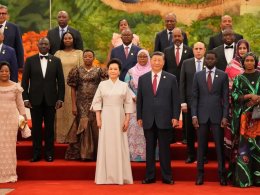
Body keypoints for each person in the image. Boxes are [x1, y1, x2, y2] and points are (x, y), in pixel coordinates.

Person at [137, 51, 180, 185]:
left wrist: (175, 116)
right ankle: (150, 176)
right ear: (151, 61)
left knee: (165, 150)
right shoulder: (143, 78)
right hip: (148, 119)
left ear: (163, 62)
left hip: (165, 119)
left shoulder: (171, 78)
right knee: (149, 149)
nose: (156, 62)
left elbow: (175, 99)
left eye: (159, 60)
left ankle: (167, 176)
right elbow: (140, 100)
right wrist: (139, 116)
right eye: (154, 60)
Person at [91, 58, 134, 185]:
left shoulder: (124, 85)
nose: (113, 71)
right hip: (106, 117)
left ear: (119, 71)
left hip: (119, 117)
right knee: (106, 144)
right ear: (107, 71)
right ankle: (104, 177)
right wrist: (98, 119)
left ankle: (121, 176)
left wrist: (127, 119)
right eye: (111, 69)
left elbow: (128, 103)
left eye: (115, 69)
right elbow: (97, 102)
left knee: (119, 144)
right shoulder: (102, 85)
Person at [21, 37, 65, 162]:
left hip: (52, 100)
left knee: (50, 129)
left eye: (46, 44)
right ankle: (36, 154)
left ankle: (49, 154)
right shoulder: (30, 60)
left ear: (49, 46)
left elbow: (61, 82)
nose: (44, 46)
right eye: (42, 44)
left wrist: (60, 99)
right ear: (38, 46)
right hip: (34, 100)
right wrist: (25, 99)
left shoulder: (56, 61)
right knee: (36, 129)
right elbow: (24, 82)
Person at [191, 50, 229, 186]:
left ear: (216, 60)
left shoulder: (223, 75)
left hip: (218, 117)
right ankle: (200, 174)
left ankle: (222, 175)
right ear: (205, 60)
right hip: (201, 116)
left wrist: (225, 116)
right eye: (208, 59)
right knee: (201, 147)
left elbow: (225, 98)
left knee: (219, 147)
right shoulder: (198, 75)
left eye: (212, 59)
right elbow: (194, 97)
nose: (210, 61)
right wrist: (194, 115)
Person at [65, 49, 107, 161]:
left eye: (90, 56)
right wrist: (73, 105)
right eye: (86, 56)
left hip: (95, 102)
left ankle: (94, 154)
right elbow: (73, 89)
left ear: (93, 58)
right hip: (81, 103)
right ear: (83, 58)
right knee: (82, 125)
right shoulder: (76, 71)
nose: (88, 58)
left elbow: (104, 88)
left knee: (94, 126)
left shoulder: (100, 71)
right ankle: (82, 154)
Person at [231, 52, 260, 187]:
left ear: (255, 62)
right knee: (245, 148)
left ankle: (258, 179)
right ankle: (244, 180)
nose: (249, 62)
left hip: (259, 118)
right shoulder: (239, 78)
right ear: (243, 62)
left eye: (251, 60)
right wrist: (248, 96)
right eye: (247, 60)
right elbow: (234, 95)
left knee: (258, 147)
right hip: (245, 119)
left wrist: (257, 99)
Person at [164, 27, 193, 144]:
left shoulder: (189, 50)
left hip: (185, 85)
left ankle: (186, 137)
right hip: (170, 85)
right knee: (170, 110)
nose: (177, 38)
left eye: (179, 36)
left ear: (183, 37)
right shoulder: (166, 51)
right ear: (172, 38)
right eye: (174, 36)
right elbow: (165, 69)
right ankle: (170, 137)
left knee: (186, 112)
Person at [54, 31, 84, 143]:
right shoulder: (58, 53)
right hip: (60, 87)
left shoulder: (79, 53)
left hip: (74, 87)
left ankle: (73, 137)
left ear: (73, 40)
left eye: (69, 38)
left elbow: (82, 70)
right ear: (62, 40)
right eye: (65, 38)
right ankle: (61, 137)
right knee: (61, 111)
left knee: (74, 111)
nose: (67, 40)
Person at [0, 61, 27, 183]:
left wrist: (24, 121)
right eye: (2, 71)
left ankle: (10, 174)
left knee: (9, 148)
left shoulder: (16, 86)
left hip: (11, 120)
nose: (4, 73)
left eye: (6, 71)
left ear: (10, 72)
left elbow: (21, 106)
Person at [180, 42, 206, 163]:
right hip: (190, 103)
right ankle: (190, 155)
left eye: (200, 49)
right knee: (189, 131)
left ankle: (203, 156)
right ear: (193, 50)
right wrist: (183, 102)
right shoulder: (186, 63)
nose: (198, 51)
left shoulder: (210, 62)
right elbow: (182, 83)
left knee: (203, 131)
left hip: (206, 103)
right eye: (196, 49)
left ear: (205, 50)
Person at [224, 39, 250, 158]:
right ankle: (235, 161)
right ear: (237, 50)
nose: (242, 50)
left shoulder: (256, 63)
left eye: (244, 48)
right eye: (240, 48)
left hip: (252, 106)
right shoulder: (231, 65)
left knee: (250, 133)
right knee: (236, 132)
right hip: (235, 105)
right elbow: (226, 85)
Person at [124, 49, 151, 161]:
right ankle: (133, 155)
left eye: (145, 57)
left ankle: (148, 155)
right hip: (133, 104)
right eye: (140, 57)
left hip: (149, 104)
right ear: (137, 58)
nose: (142, 59)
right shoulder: (131, 71)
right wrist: (133, 96)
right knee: (134, 127)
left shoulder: (152, 70)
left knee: (147, 128)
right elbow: (125, 86)